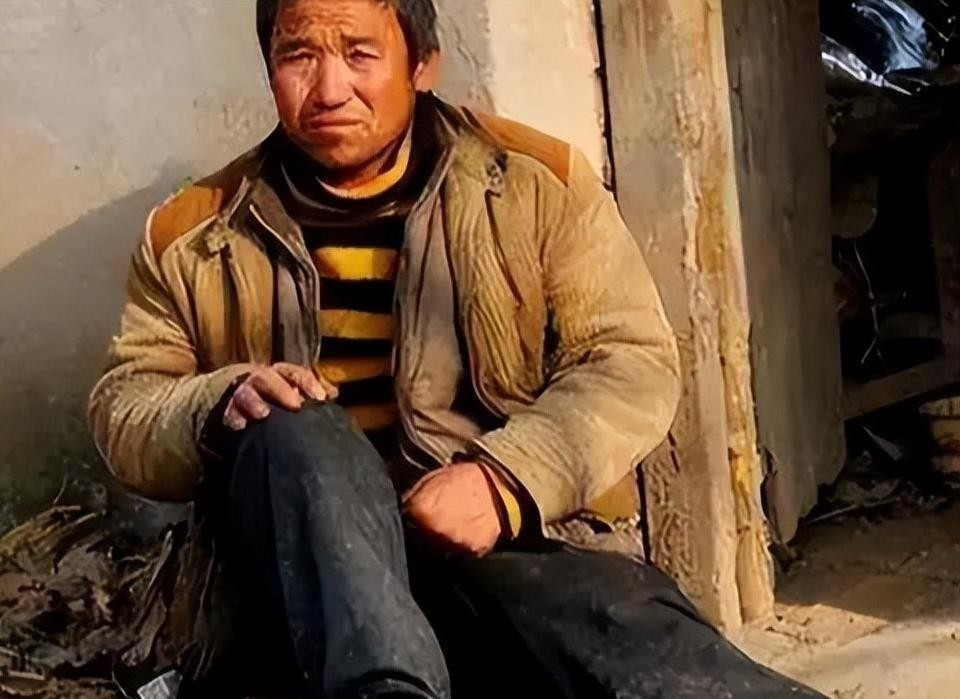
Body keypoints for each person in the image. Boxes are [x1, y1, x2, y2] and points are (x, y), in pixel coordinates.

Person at [89, 1, 825, 697]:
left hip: (486, 553)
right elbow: (125, 403)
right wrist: (214, 403)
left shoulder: (534, 185)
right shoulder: (195, 235)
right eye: (299, 56)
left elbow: (628, 359)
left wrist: (508, 478)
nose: (330, 88)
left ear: (424, 63)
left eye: (359, 54)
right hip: (297, 597)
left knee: (623, 630)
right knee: (288, 421)